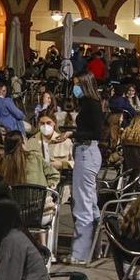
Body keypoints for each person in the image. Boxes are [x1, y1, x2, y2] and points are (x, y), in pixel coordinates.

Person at [58, 73, 104, 265]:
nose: (74, 89)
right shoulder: (90, 103)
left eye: (77, 85)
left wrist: (72, 133)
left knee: (83, 204)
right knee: (90, 203)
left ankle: (80, 253)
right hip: (87, 152)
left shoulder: (91, 104)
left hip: (87, 152)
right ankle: (94, 249)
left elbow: (96, 132)